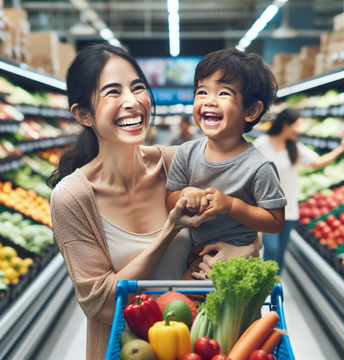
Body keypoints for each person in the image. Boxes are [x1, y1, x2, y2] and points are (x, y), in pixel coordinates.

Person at [47, 43, 218, 360]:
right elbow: (106, 306)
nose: (133, 101)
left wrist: (226, 256)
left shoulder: (183, 163)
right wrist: (170, 232)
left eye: (137, 87)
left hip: (201, 348)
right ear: (83, 114)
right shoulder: (72, 197)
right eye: (113, 92)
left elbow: (246, 233)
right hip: (128, 351)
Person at [165, 48, 288, 280]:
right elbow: (170, 198)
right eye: (202, 92)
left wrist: (232, 205)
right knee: (190, 311)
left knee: (235, 313)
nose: (209, 100)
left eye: (223, 93)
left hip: (241, 263)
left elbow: (275, 222)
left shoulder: (259, 167)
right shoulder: (186, 153)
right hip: (197, 257)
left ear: (251, 111)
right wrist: (186, 194)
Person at [254, 107, 344, 272]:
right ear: (286, 124)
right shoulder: (261, 144)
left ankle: (275, 286)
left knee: (281, 254)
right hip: (267, 209)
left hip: (290, 210)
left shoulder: (295, 147)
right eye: (297, 126)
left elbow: (318, 162)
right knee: (272, 249)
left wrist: (341, 149)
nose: (298, 130)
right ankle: (267, 285)